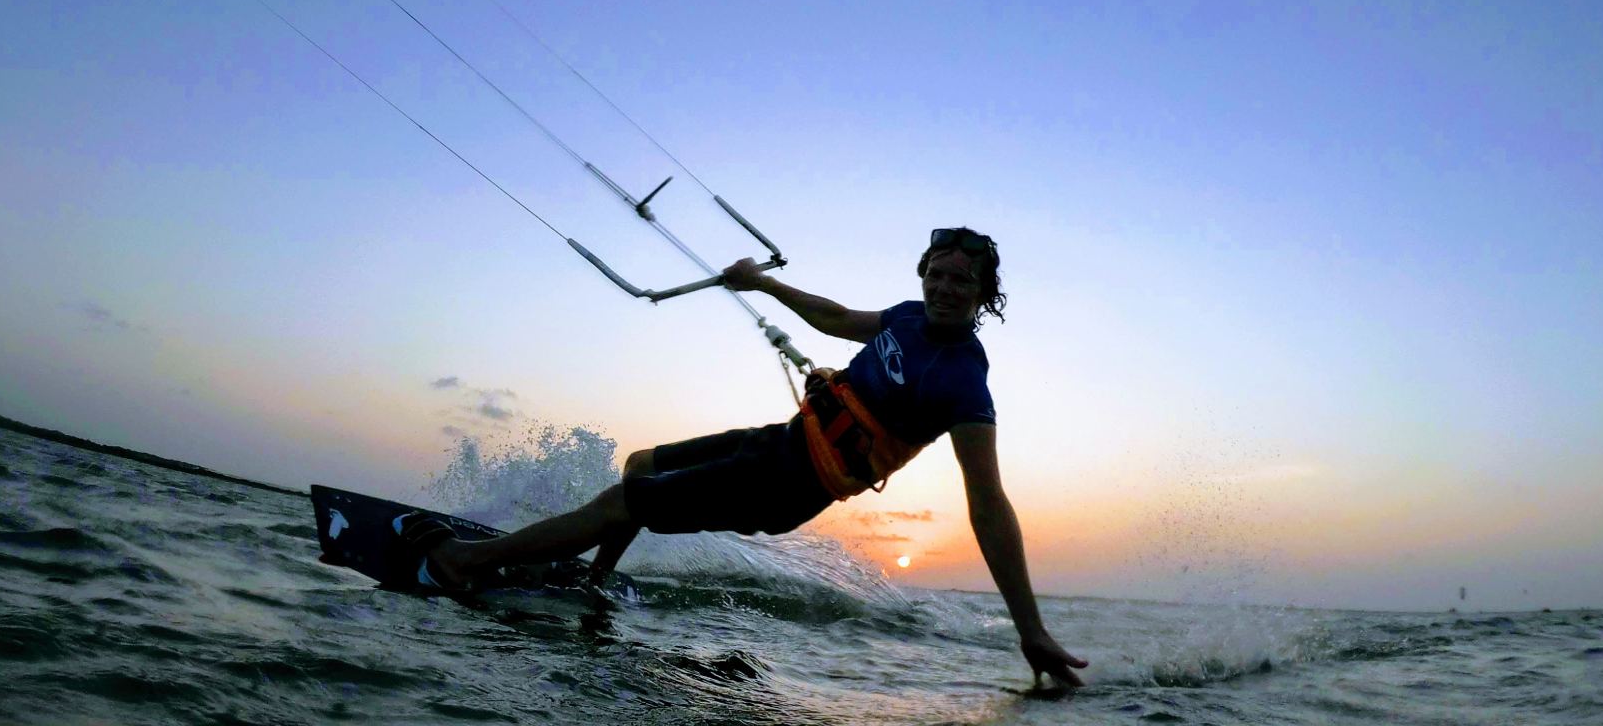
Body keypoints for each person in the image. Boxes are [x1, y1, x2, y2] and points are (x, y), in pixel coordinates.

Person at [402, 227, 1089, 687]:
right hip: (780, 442)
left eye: (961, 282)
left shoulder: (963, 380)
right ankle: (593, 580)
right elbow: (835, 317)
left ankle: (461, 564)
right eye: (937, 275)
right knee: (641, 466)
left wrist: (1029, 629)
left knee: (624, 503)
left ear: (983, 294)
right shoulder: (908, 315)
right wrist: (762, 284)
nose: (944, 289)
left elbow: (988, 504)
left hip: (790, 484)